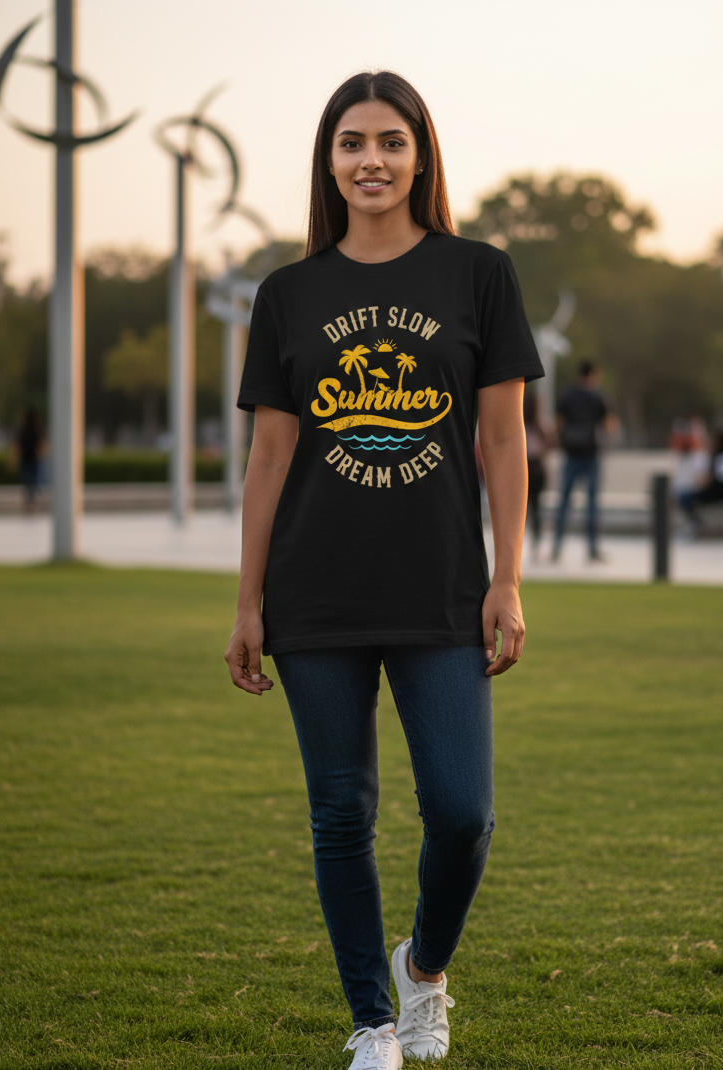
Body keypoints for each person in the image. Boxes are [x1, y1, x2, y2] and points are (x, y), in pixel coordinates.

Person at [224, 71, 542, 1070]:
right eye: (352, 141)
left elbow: (503, 442)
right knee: (341, 809)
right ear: (328, 159)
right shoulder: (289, 294)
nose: (371, 159)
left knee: (461, 811)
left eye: (390, 141)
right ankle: (370, 1018)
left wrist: (508, 578)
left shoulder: (477, 274)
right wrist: (246, 601)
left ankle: (425, 968)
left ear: (421, 155)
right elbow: (270, 455)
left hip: (442, 586)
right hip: (314, 588)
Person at [551, 361, 616, 562]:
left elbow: (558, 423)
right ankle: (592, 548)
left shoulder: (567, 395)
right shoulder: (597, 396)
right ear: (593, 375)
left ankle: (557, 547)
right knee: (592, 504)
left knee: (564, 502)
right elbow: (610, 424)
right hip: (591, 453)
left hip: (571, 453)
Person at [524, 390, 551, 560]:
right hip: (537, 470)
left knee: (520, 510)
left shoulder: (520, 427)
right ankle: (535, 543)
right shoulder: (540, 427)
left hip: (525, 468)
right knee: (536, 509)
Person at [15, 407, 45, 513]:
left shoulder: (23, 430)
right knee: (33, 482)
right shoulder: (36, 430)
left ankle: (29, 503)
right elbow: (41, 446)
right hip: (33, 460)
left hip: (26, 460)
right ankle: (31, 503)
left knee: (28, 483)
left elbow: (18, 446)